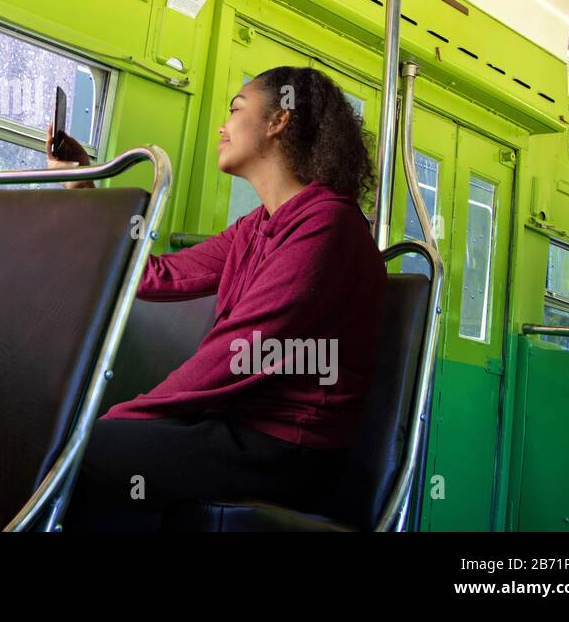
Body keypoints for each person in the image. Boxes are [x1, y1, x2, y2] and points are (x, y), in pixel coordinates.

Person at [48, 65, 386, 531]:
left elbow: (238, 354)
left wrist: (122, 415)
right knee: (76, 446)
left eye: (236, 109)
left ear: (278, 121)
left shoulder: (329, 229)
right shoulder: (258, 226)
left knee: (83, 450)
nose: (223, 126)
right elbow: (154, 275)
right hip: (234, 427)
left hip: (288, 451)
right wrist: (82, 189)